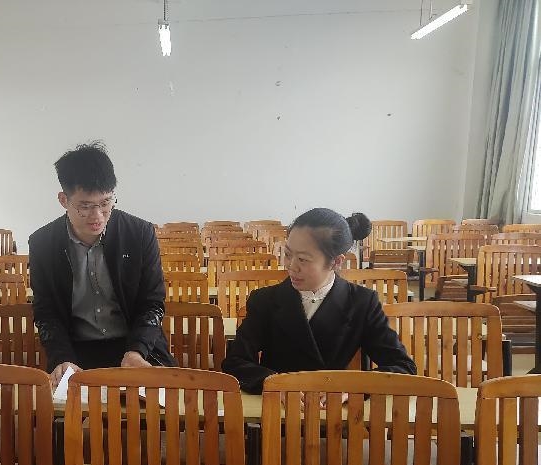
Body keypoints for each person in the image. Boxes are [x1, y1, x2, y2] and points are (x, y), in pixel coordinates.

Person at [222, 208, 415, 394]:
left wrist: (352, 387)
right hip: (277, 408)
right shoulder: (264, 300)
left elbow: (402, 366)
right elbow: (236, 361)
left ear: (336, 262)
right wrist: (275, 385)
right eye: (288, 254)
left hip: (334, 409)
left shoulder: (362, 303)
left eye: (303, 259)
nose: (291, 266)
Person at [29, 142, 174, 387]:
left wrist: (137, 350)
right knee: (67, 409)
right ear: (63, 200)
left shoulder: (139, 234)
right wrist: (62, 358)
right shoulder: (43, 243)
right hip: (77, 353)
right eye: (85, 206)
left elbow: (152, 303)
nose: (97, 216)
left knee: (157, 408)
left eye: (106, 203)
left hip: (137, 348)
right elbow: (46, 311)